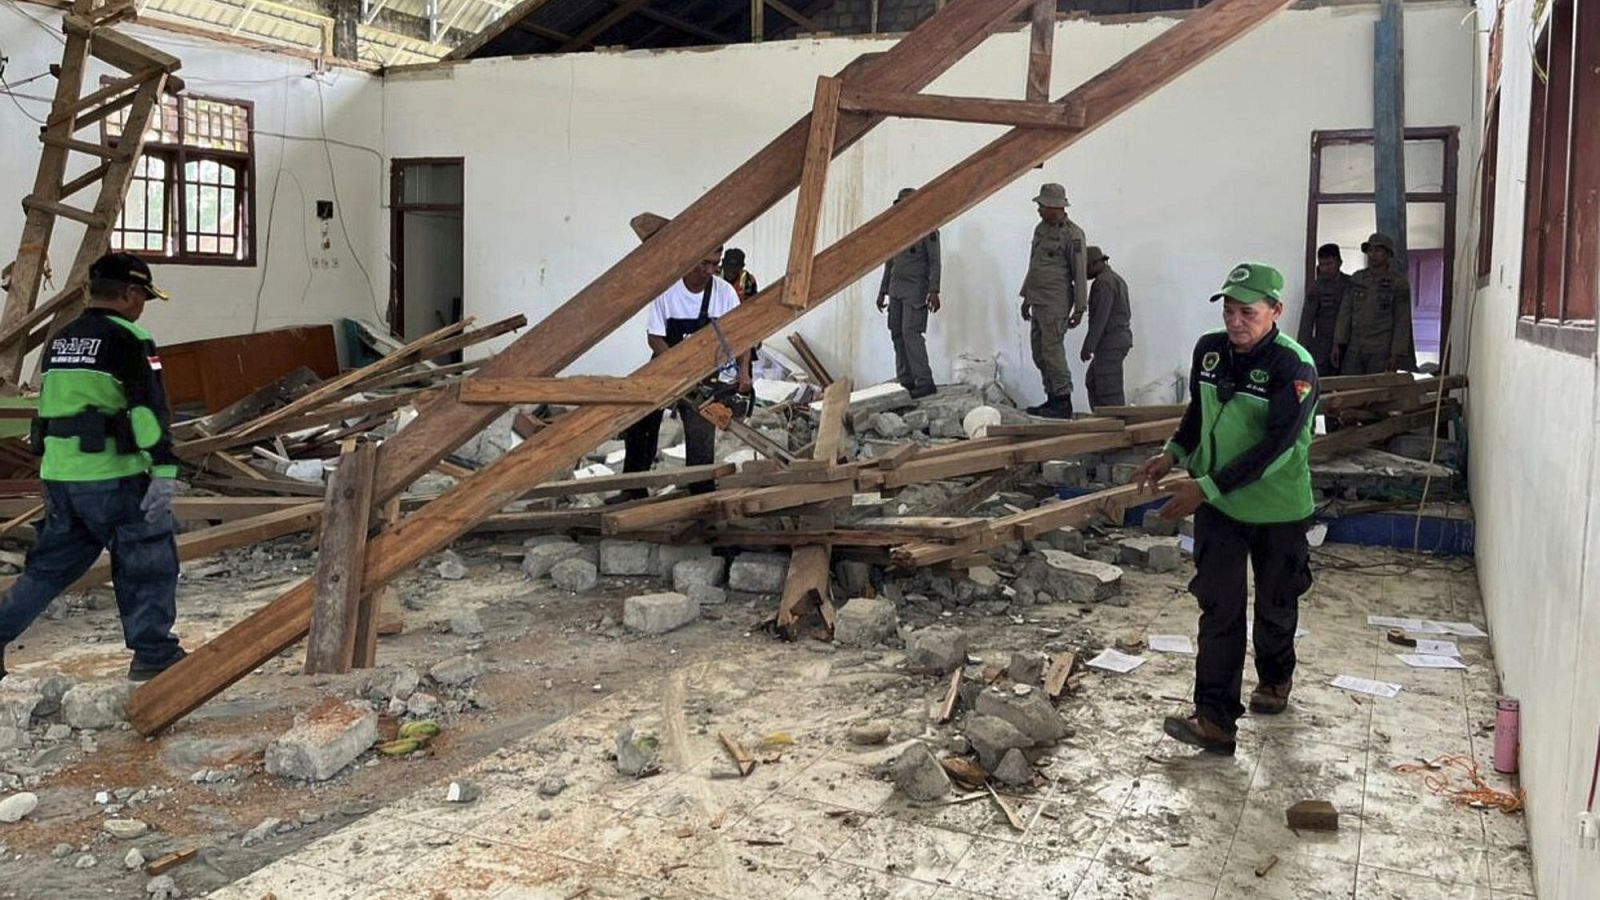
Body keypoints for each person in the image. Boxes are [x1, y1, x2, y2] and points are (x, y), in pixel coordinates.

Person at [1130, 262, 1318, 756]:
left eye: (1248, 312)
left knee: (1276, 604)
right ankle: (1214, 719)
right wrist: (1172, 453)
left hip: (1277, 509)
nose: (1236, 321)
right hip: (1219, 506)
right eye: (1230, 310)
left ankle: (1275, 679)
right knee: (1220, 608)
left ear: (1276, 311)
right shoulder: (1209, 352)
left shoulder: (1293, 367)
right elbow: (1198, 412)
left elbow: (1278, 447)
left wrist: (1205, 487)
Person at [0, 252, 186, 682]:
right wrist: (163, 470)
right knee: (147, 560)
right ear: (130, 293)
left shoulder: (61, 340)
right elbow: (146, 412)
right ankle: (154, 654)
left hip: (61, 478)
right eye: (142, 298)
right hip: (113, 477)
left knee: (47, 571)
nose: (142, 307)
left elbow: (49, 408)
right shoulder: (130, 339)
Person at [615, 247, 752, 500]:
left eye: (715, 264)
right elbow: (654, 337)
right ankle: (633, 489)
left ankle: (700, 493)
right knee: (639, 421)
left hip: (704, 373)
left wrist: (744, 373)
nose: (709, 271)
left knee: (700, 432)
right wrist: (677, 368)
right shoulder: (666, 292)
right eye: (703, 264)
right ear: (688, 260)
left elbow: (741, 336)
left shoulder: (724, 293)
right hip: (665, 365)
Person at [1019, 182, 1088, 419]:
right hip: (1038, 299)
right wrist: (1026, 296)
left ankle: (1062, 400)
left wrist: (1080, 309)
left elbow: (1079, 273)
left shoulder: (1072, 234)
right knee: (1039, 353)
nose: (1038, 210)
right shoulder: (1041, 229)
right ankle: (1051, 398)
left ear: (1054, 206)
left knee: (1052, 352)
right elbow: (1034, 265)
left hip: (1056, 302)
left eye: (1041, 205)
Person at [876, 187, 941, 399]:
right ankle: (906, 379)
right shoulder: (896, 231)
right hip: (896, 288)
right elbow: (889, 263)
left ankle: (924, 380)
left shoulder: (928, 229)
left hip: (915, 290)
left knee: (911, 334)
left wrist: (934, 290)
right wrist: (882, 290)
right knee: (896, 332)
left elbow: (935, 262)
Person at [1333, 232, 1413, 375]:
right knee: (1350, 390)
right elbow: (1345, 312)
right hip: (1355, 348)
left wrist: (1397, 354)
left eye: (1378, 250)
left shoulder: (1398, 283)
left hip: (1381, 350)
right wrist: (1337, 343)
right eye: (1370, 250)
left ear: (1388, 254)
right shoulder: (1357, 278)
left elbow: (1402, 320)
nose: (1373, 254)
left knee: (1377, 393)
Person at [1080, 245, 1132, 408]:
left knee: (1109, 391)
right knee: (1093, 381)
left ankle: (1114, 426)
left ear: (1095, 264)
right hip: (1116, 340)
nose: (1085, 274)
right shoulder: (1116, 279)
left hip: (1110, 342)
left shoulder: (1103, 283)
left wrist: (1088, 346)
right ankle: (1101, 422)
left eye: (1086, 268)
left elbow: (1101, 318)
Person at [1299, 243, 1351, 377]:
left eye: (1329, 264)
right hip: (1323, 344)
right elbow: (1307, 321)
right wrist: (1301, 349)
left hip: (1348, 343)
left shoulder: (1350, 284)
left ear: (1339, 262)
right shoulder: (1316, 287)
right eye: (1322, 265)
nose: (1325, 268)